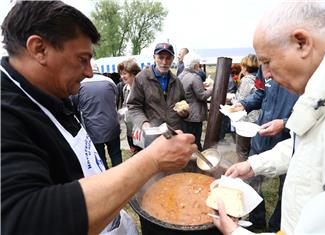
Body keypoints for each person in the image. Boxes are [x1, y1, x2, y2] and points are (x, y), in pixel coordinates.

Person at [1, 2, 196, 235]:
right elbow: (24, 219)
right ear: (39, 49)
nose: (89, 72)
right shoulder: (6, 114)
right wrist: (152, 159)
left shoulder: (50, 90)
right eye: (82, 59)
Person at [213, 1, 325, 234]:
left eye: (267, 62)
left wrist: (235, 232)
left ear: (302, 43)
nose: (267, 75)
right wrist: (253, 165)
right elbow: (305, 148)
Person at [233, 65, 299, 232]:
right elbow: (261, 94)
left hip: (288, 139)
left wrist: (284, 123)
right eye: (263, 62)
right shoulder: (265, 67)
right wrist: (244, 104)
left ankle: (277, 227)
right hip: (261, 135)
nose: (266, 71)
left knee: (287, 189)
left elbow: (309, 110)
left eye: (268, 61)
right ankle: (257, 220)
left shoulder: (302, 70)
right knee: (252, 181)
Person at [127, 42, 189, 146]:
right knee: (155, 162)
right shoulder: (142, 78)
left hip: (174, 133)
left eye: (168, 58)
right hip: (153, 135)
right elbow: (134, 106)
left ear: (173, 59)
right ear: (154, 57)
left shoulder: (176, 81)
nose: (164, 62)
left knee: (175, 161)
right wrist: (144, 123)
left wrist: (185, 112)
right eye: (160, 57)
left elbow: (183, 103)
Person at [71, 62, 122, 169]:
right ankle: (121, 177)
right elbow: (116, 101)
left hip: (92, 129)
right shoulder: (110, 82)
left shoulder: (80, 84)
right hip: (112, 126)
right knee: (116, 154)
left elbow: (75, 105)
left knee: (99, 157)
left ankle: (104, 180)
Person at [179, 52, 213, 151]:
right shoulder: (195, 77)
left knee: (188, 140)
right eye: (198, 64)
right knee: (196, 141)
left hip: (185, 113)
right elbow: (202, 96)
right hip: (195, 115)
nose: (199, 66)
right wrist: (212, 89)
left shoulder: (181, 75)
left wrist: (202, 86)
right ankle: (200, 162)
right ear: (195, 65)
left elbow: (190, 90)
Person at [232, 54, 260, 160]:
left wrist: (232, 99)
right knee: (253, 150)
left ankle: (243, 174)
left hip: (246, 120)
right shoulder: (258, 78)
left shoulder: (247, 80)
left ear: (245, 66)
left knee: (242, 151)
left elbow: (240, 102)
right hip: (256, 118)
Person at [117, 59, 142, 154]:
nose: (122, 77)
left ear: (133, 73)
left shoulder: (142, 88)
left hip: (140, 127)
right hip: (130, 128)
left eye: (125, 73)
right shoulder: (125, 88)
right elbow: (125, 104)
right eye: (121, 74)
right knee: (135, 152)